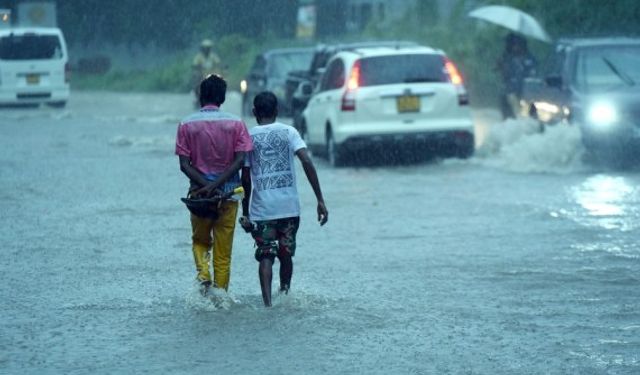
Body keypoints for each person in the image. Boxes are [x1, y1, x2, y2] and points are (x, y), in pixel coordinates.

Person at [240, 91, 328, 307]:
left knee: (266, 255)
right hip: (289, 209)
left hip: (262, 211)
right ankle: (285, 293)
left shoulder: (248, 137)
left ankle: (268, 304)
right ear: (277, 111)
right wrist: (320, 199)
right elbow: (307, 161)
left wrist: (245, 212)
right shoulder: (290, 132)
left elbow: (245, 178)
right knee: (286, 255)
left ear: (254, 112)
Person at [175, 74, 253, 300]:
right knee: (223, 253)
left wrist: (207, 186)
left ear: (201, 97)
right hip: (228, 196)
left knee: (200, 241)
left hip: (199, 197)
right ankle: (221, 299)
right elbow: (240, 161)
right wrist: (218, 186)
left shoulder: (186, 125)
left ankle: (203, 275)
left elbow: (184, 165)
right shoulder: (237, 123)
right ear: (222, 98)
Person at [496, 33, 537, 119]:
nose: (515, 47)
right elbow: (501, 72)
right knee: (508, 115)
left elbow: (533, 75)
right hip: (509, 92)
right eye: (513, 44)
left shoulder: (529, 58)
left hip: (526, 93)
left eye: (517, 44)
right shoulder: (506, 57)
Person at [192, 39, 222, 107]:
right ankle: (197, 97)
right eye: (205, 48)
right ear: (203, 48)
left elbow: (218, 63)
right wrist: (198, 67)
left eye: (208, 48)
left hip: (211, 75)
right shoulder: (199, 57)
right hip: (201, 75)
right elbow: (195, 64)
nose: (207, 49)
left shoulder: (213, 56)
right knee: (196, 81)